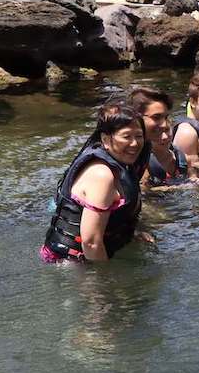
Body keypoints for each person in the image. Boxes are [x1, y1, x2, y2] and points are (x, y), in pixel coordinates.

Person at [42, 102, 147, 263]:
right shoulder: (101, 175)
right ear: (105, 139)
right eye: (126, 136)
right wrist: (102, 282)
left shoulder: (119, 165)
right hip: (70, 263)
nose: (134, 143)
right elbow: (90, 242)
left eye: (139, 136)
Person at [128, 87, 199, 188]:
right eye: (156, 117)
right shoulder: (129, 160)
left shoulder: (181, 159)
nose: (164, 124)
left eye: (166, 117)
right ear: (135, 118)